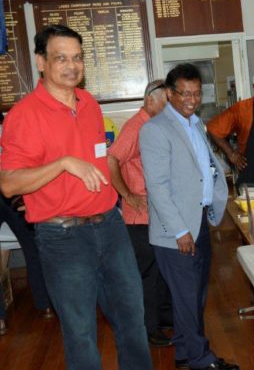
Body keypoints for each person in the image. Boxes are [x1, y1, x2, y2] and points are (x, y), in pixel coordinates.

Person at [0, 24, 152, 369]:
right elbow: (8, 184)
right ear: (41, 62)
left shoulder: (89, 105)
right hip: (63, 237)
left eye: (78, 58)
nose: (72, 66)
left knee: (132, 319)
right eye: (61, 58)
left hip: (110, 228)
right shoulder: (23, 115)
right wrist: (64, 164)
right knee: (81, 331)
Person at [140, 64, 238, 370]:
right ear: (169, 94)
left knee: (193, 298)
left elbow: (201, 170)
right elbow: (157, 187)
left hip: (198, 224)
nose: (191, 100)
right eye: (184, 94)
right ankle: (200, 359)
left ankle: (184, 354)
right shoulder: (155, 130)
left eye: (196, 93)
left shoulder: (195, 124)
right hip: (177, 233)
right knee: (186, 299)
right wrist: (180, 230)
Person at [107, 79, 173, 347]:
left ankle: (163, 318)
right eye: (166, 101)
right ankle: (148, 328)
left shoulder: (155, 125)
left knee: (159, 270)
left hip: (155, 213)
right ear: (150, 101)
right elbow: (112, 159)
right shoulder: (137, 126)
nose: (170, 107)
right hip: (139, 217)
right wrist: (127, 195)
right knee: (146, 273)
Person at [0, 112, 54, 321]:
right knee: (33, 249)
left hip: (10, 192)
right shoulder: (12, 130)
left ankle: (1, 320)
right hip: (14, 196)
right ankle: (45, 304)